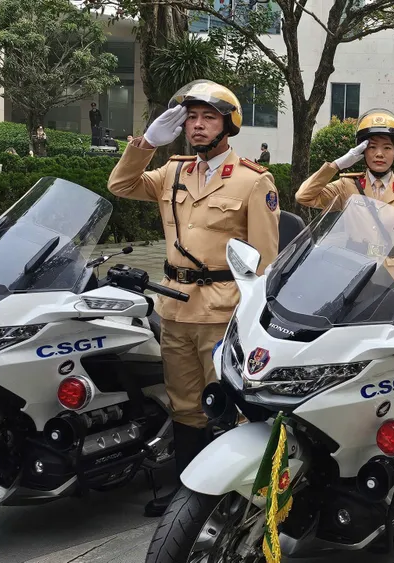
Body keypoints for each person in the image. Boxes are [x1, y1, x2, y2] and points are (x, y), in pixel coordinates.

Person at [106, 79, 280, 516]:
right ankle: (186, 497)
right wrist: (147, 143)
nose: (197, 125)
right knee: (184, 406)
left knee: (228, 407)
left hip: (223, 312)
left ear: (229, 125)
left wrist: (256, 319)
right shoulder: (173, 171)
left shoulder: (253, 181)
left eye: (208, 118)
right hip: (174, 306)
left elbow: (265, 261)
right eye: (191, 118)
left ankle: (231, 501)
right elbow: (120, 185)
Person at [296, 109, 394, 305]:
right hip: (352, 276)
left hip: (392, 282)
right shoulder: (347, 186)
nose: (379, 154)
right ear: (362, 151)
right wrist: (336, 165)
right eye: (372, 147)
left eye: (387, 148)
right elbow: (304, 196)